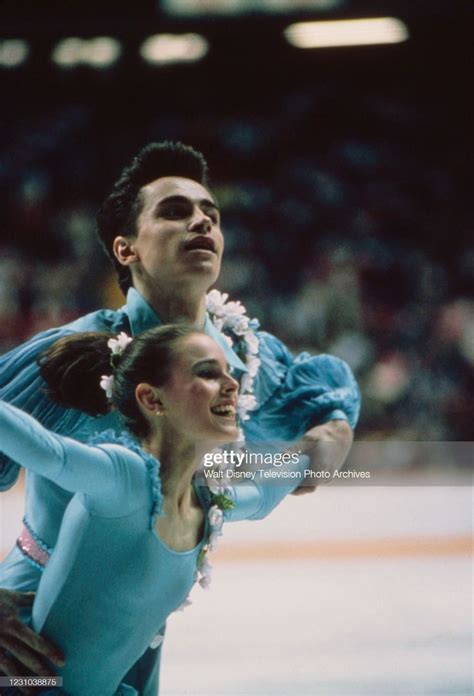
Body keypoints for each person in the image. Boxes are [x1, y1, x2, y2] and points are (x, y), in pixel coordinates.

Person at [0, 142, 360, 691]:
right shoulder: (70, 355)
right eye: (174, 211)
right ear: (126, 249)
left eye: (210, 215)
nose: (200, 222)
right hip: (30, 635)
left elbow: (322, 434)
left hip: (137, 634)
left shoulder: (247, 358)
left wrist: (325, 445)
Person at [0, 324, 323, 695]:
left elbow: (266, 494)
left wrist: (328, 434)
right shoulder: (124, 478)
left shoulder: (209, 500)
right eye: (207, 373)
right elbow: (48, 453)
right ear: (152, 399)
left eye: (229, 374)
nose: (232, 385)